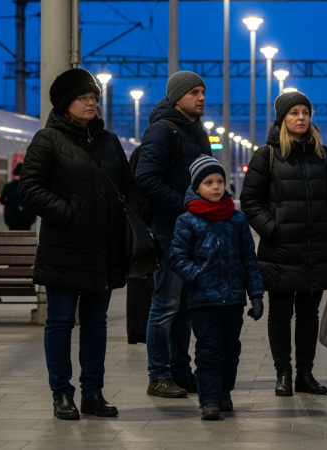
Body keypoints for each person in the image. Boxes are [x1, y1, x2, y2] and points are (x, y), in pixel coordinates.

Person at [19, 68, 138, 420]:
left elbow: (129, 186)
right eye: (83, 98)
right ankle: (62, 394)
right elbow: (30, 190)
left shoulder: (109, 142)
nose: (92, 104)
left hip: (104, 248)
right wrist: (69, 213)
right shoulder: (47, 140)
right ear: (65, 103)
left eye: (94, 98)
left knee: (96, 323)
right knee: (59, 321)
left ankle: (93, 392)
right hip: (65, 247)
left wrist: (125, 214)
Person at [241, 91, 327, 397]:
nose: (301, 118)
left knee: (308, 315)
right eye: (294, 113)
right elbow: (249, 200)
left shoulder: (324, 155)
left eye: (305, 112)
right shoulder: (267, 155)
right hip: (280, 249)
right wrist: (272, 229)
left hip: (318, 249)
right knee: (280, 313)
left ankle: (305, 374)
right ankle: (283, 374)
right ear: (282, 118)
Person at [170, 154, 265, 420]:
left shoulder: (236, 221)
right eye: (209, 182)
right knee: (210, 350)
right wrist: (198, 275)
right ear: (197, 187)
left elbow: (249, 258)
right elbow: (177, 257)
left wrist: (255, 294)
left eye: (220, 181)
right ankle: (209, 399)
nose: (216, 187)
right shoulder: (187, 221)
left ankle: (224, 393)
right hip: (204, 300)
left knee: (231, 350)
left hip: (234, 299)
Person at [136, 71, 212, 398]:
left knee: (184, 307)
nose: (202, 97)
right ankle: (158, 374)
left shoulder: (198, 133)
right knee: (165, 304)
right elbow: (147, 180)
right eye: (194, 92)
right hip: (170, 233)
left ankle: (181, 370)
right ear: (177, 98)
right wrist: (187, 207)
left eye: (203, 91)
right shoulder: (162, 131)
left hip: (194, 233)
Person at [0, 162, 35, 230]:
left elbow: (1, 200)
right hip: (26, 219)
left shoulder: (8, 187)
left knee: (13, 238)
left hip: (12, 219)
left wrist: (9, 204)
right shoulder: (28, 187)